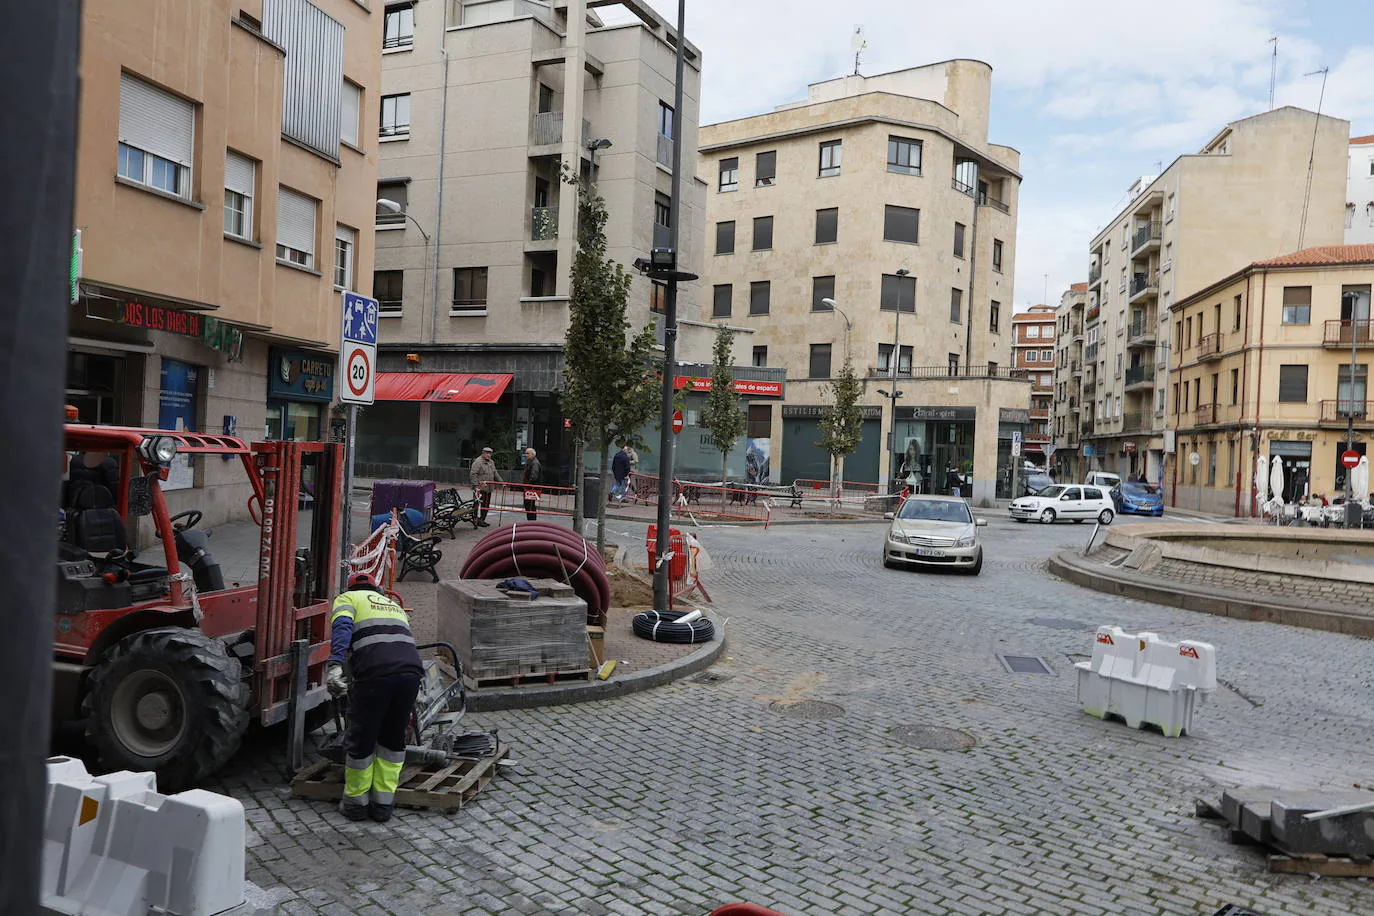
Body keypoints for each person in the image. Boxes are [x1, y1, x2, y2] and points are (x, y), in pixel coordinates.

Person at [326, 571, 423, 823]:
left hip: (375, 674)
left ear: (350, 588)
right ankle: (383, 806)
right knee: (392, 739)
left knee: (362, 737)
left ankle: (356, 805)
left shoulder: (347, 599)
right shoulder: (393, 606)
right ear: (376, 589)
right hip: (410, 673)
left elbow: (342, 628)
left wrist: (335, 664)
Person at [469, 446, 501, 526]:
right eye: (487, 453)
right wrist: (476, 485)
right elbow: (473, 474)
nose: (489, 455)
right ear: (483, 453)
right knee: (477, 504)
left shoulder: (491, 462)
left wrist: (501, 482)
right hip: (479, 488)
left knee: (486, 505)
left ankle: (482, 519)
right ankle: (475, 519)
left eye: (490, 453)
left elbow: (495, 473)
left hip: (488, 488)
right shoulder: (478, 462)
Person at [521, 447, 542, 520]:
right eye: (525, 453)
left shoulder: (534, 463)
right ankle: (531, 520)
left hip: (531, 488)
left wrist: (527, 484)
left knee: (529, 505)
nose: (526, 455)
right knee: (529, 505)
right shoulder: (530, 462)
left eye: (528, 453)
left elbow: (534, 476)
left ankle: (531, 520)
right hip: (530, 488)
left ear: (532, 454)